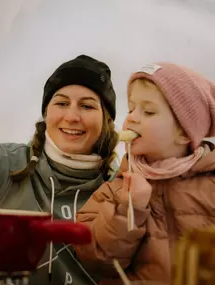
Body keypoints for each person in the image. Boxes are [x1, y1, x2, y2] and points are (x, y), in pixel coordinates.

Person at [0, 55, 119, 285]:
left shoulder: (122, 190)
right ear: (46, 113)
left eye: (87, 106)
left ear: (106, 120)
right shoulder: (6, 166)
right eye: (61, 103)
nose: (71, 117)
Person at [75, 62, 215, 284]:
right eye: (131, 108)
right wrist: (128, 210)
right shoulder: (116, 189)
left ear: (185, 134)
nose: (132, 118)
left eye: (148, 111)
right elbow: (96, 258)